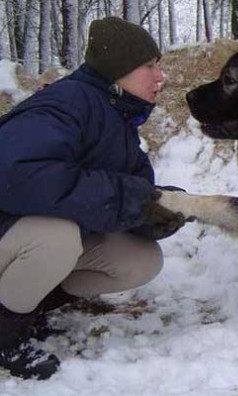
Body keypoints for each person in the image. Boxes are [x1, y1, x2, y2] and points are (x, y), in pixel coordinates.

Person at [0, 17, 185, 380]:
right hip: (9, 230)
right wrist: (126, 198)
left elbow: (130, 191)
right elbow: (15, 172)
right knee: (56, 238)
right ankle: (4, 332)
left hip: (17, 240)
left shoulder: (117, 116)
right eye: (149, 66)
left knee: (140, 259)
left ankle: (25, 309)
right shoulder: (66, 103)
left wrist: (155, 210)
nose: (160, 76)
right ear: (118, 69)